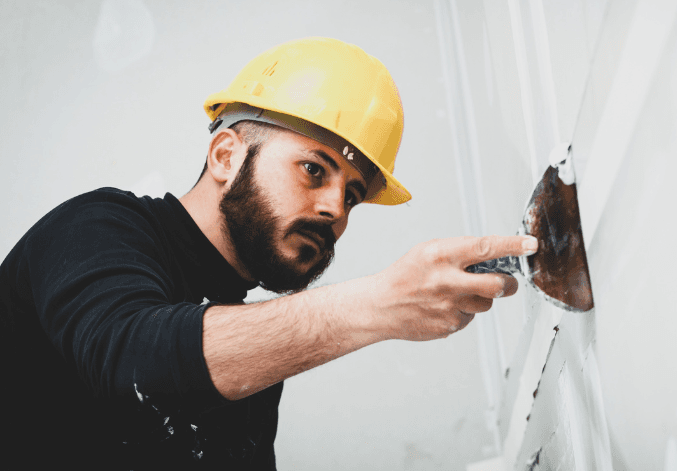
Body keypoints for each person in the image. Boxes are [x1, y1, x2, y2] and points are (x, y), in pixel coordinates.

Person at [0, 37, 537, 469]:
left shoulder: (251, 359)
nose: (336, 210)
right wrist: (378, 304)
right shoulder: (96, 227)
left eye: (352, 194)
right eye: (314, 169)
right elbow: (135, 365)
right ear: (227, 155)